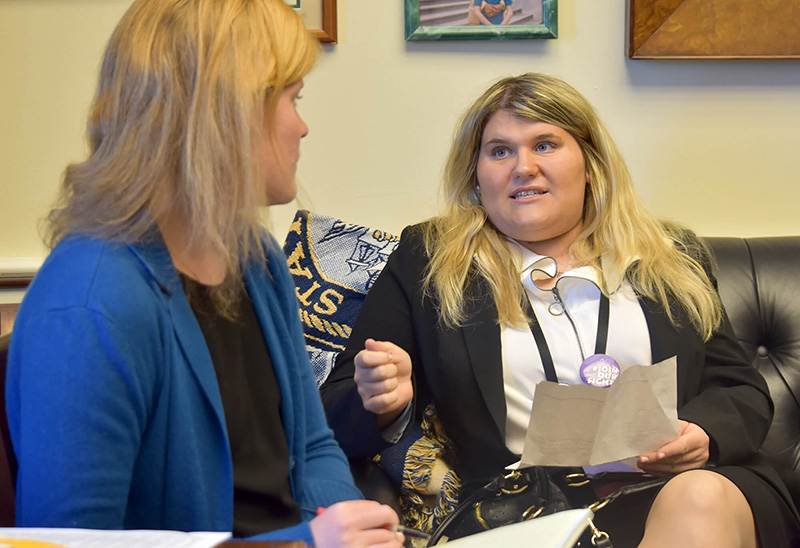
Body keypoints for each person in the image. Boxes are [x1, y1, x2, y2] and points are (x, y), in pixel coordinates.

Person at [320, 73, 800, 547]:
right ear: (476, 175)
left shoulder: (671, 255)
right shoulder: (429, 260)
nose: (523, 167)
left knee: (698, 497)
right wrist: (383, 401)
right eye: (500, 150)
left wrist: (705, 435)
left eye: (545, 144)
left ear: (590, 164)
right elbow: (332, 413)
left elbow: (739, 388)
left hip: (677, 490)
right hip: (525, 508)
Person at [5, 1, 403, 546]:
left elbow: (310, 446)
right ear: (228, 112)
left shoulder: (254, 258)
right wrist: (307, 544)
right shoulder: (91, 304)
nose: (303, 126)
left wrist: (359, 526)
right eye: (294, 99)